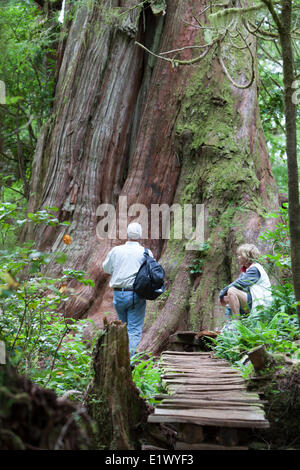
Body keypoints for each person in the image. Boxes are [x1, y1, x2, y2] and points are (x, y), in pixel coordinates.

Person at [102, 222, 153, 358]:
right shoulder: (146, 252)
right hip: (137, 295)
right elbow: (151, 273)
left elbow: (106, 268)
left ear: (127, 234)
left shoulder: (116, 250)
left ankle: (119, 359)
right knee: (134, 330)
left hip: (119, 294)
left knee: (122, 328)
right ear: (140, 235)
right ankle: (128, 361)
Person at [219, 243, 272, 321]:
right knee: (229, 295)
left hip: (261, 305)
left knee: (231, 291)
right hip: (254, 301)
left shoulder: (255, 269)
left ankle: (236, 323)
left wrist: (221, 293)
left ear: (246, 257)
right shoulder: (247, 270)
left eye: (240, 255)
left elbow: (239, 284)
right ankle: (229, 323)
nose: (238, 257)